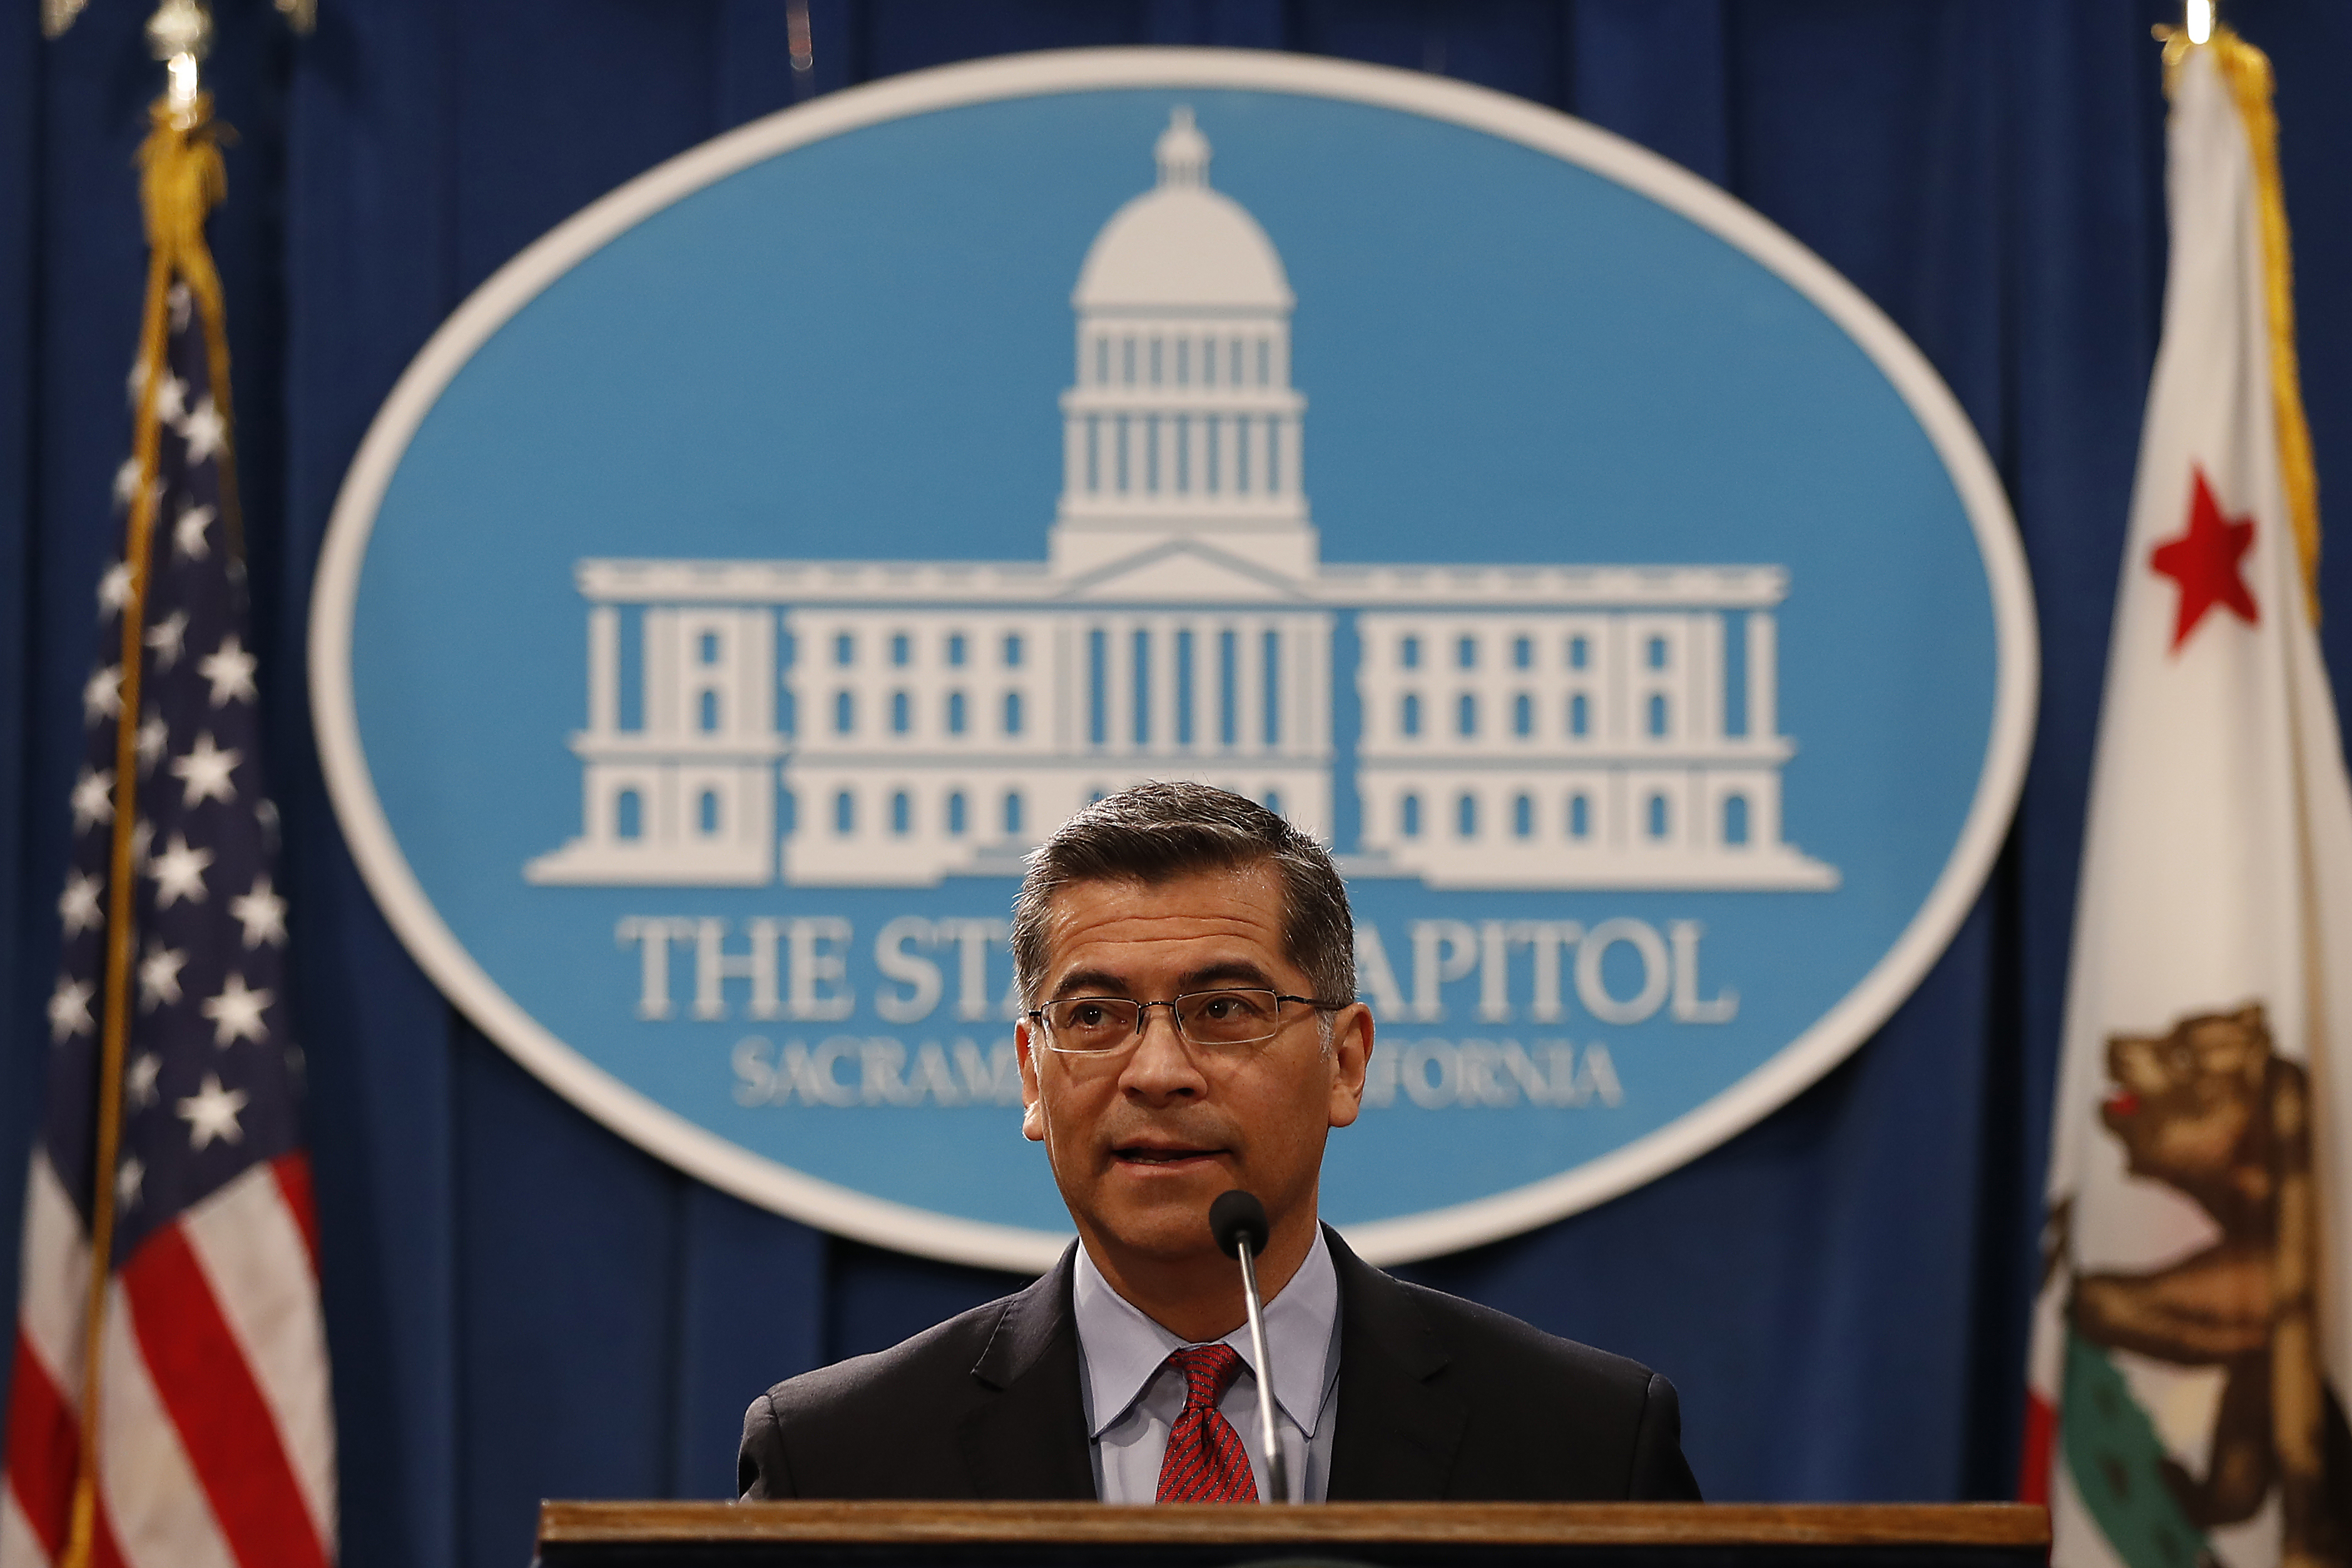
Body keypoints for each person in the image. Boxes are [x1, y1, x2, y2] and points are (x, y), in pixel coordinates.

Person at [739, 781, 1700, 1503]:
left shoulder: (1586, 1444)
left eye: (1225, 1007)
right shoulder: (836, 1458)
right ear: (1033, 1074)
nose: (1157, 1069)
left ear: (1346, 1061)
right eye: (1096, 1013)